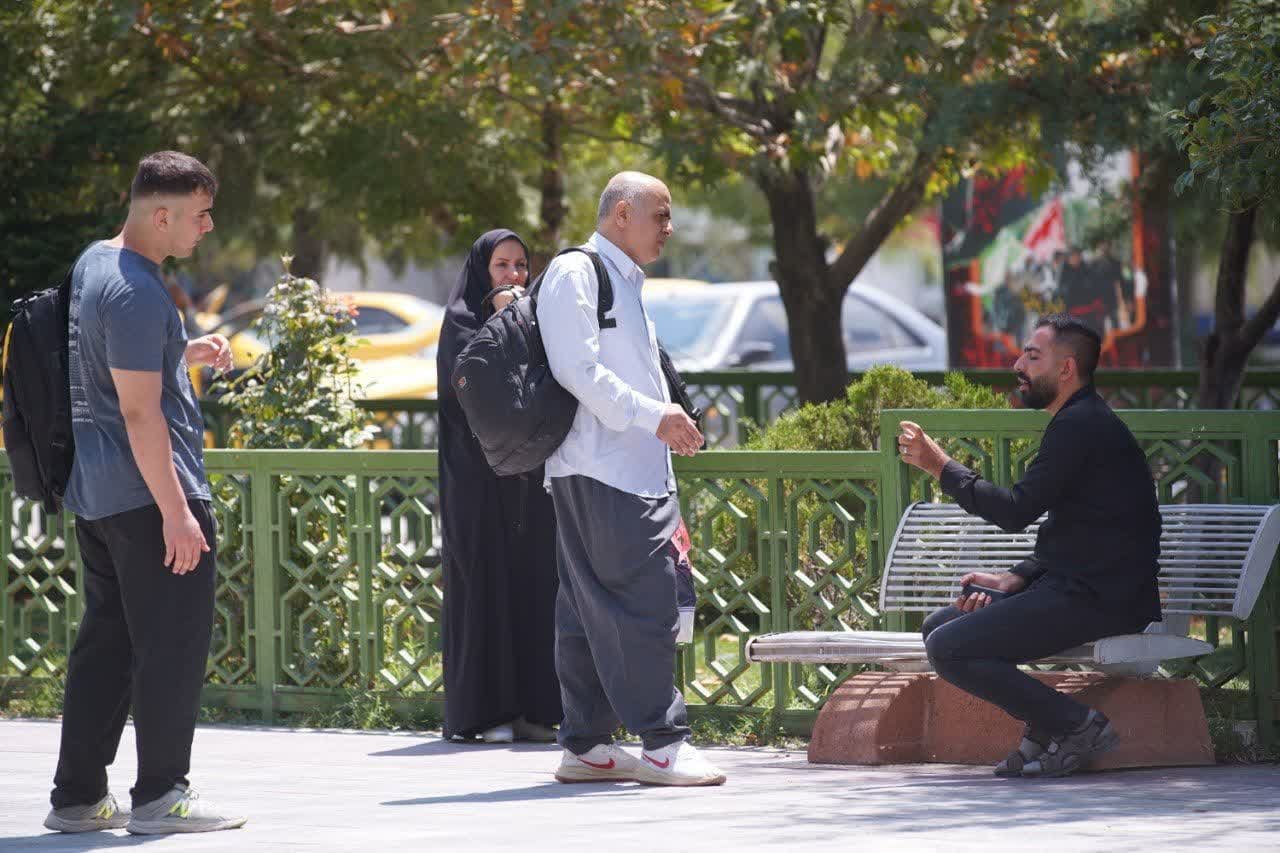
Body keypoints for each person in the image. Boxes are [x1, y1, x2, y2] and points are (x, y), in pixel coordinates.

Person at [45, 151, 246, 834]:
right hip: (149, 496)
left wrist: (180, 352)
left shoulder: (94, 263)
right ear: (161, 216)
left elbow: (109, 366)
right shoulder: (136, 288)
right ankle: (161, 796)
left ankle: (77, 799)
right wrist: (177, 511)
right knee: (171, 646)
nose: (207, 227)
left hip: (99, 496)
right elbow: (138, 412)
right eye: (199, 215)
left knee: (106, 645)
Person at [896, 313, 1161, 779]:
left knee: (949, 647)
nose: (1018, 365)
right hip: (1076, 587)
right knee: (941, 626)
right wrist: (1016, 578)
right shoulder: (1078, 421)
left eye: (1032, 357)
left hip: (1102, 599)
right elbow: (1080, 526)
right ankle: (1047, 723)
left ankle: (1076, 724)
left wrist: (941, 466)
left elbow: (1016, 511)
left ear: (1066, 368)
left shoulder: (1082, 426)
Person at [537, 171, 725, 787]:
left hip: (626, 471)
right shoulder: (576, 273)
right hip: (602, 470)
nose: (669, 228)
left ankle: (586, 746)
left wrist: (662, 426)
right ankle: (664, 744)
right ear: (622, 213)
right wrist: (654, 417)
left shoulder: (622, 279)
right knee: (642, 607)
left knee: (586, 611)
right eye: (660, 215)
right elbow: (576, 370)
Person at [436, 229, 563, 744]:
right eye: (501, 266)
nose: (513, 276)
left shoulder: (537, 319)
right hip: (476, 480)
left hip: (529, 477)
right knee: (484, 583)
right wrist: (501, 322)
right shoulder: (462, 323)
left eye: (520, 266)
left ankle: (536, 707)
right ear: (481, 272)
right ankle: (487, 714)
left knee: (535, 583)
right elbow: (471, 386)